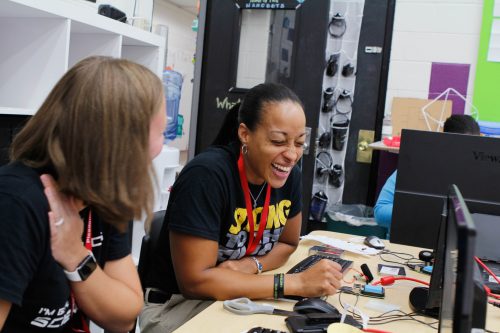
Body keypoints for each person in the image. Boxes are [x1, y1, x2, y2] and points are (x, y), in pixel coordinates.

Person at [140, 83, 343, 333]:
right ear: (245, 134)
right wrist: (293, 283)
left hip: (235, 294)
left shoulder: (288, 175)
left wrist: (252, 265)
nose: (291, 155)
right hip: (178, 307)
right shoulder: (206, 176)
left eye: (299, 143)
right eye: (278, 141)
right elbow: (196, 282)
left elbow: (288, 243)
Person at [0, 56, 167, 332]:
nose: (162, 147)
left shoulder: (104, 195)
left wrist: (76, 255)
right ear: (120, 141)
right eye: (160, 133)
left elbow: (125, 316)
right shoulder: (16, 203)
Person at [374, 114, 480, 229]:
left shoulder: (480, 176)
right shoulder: (416, 167)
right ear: (446, 141)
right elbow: (380, 213)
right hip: (409, 242)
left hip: (462, 244)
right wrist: (422, 209)